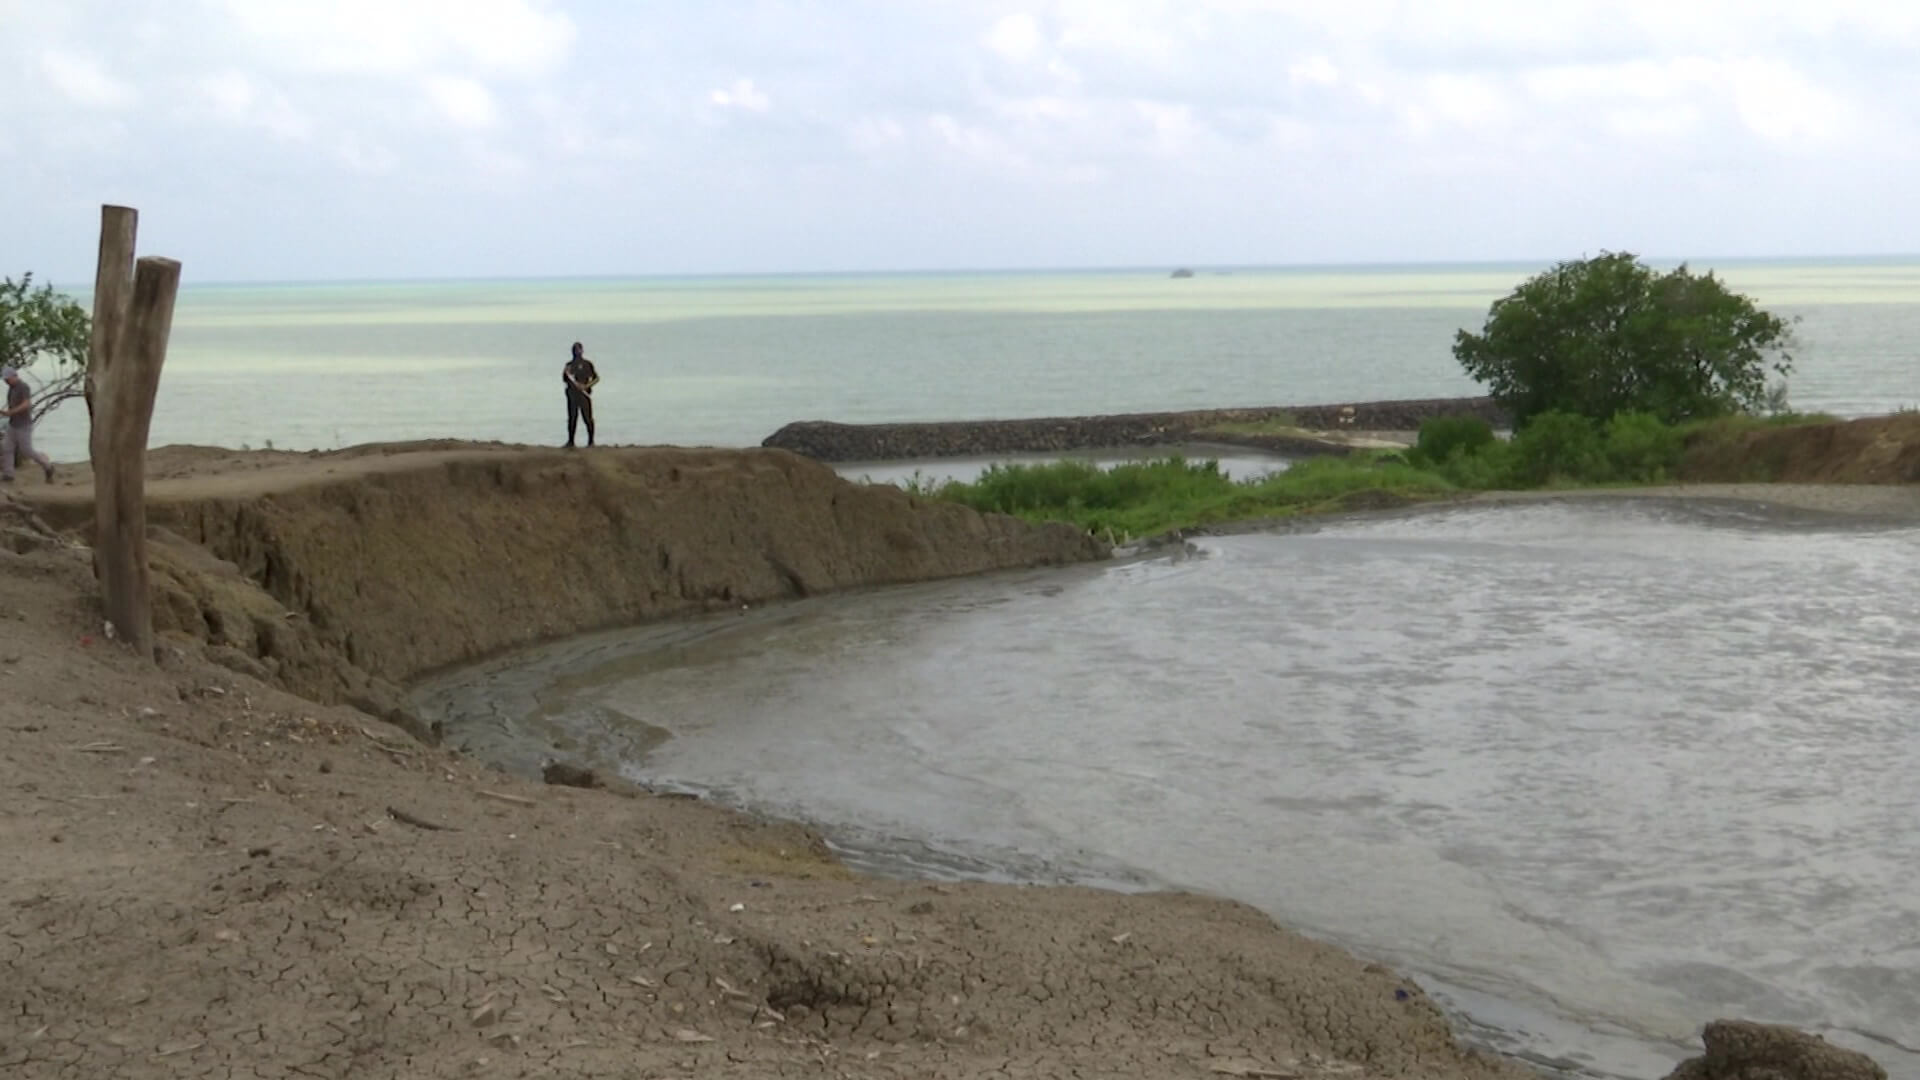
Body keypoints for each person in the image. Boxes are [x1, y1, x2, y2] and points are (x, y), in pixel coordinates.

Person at [0, 366, 55, 484]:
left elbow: (26, 404)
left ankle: (47, 466)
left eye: (8, 379)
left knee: (27, 451)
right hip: (12, 424)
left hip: (23, 424)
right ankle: (8, 474)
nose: (6, 381)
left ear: (14, 376)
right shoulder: (11, 389)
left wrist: (11, 412)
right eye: (5, 379)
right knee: (6, 448)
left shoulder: (23, 387)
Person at [562, 342, 600, 448]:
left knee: (588, 418)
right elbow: (565, 380)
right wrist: (566, 373)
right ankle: (571, 442)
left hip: (584, 395)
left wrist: (586, 386)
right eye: (575, 350)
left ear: (582, 351)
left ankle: (591, 442)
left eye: (579, 350)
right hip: (572, 395)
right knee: (572, 418)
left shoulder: (588, 364)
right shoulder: (568, 365)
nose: (577, 352)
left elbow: (596, 378)